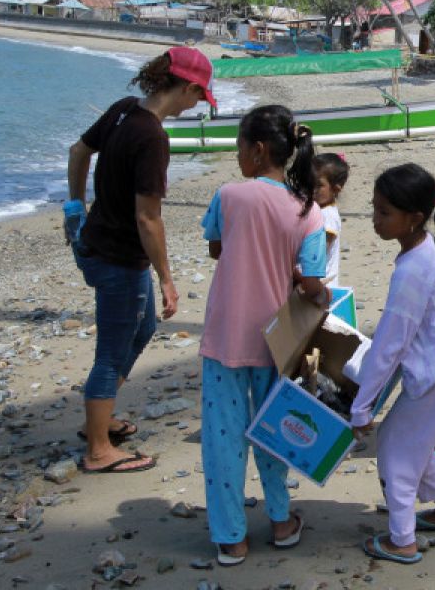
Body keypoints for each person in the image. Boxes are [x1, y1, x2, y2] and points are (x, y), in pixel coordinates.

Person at [65, 46, 215, 474]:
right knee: (111, 351)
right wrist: (167, 278)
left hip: (96, 243)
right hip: (117, 257)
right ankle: (98, 449)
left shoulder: (123, 110)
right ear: (187, 87)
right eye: (199, 97)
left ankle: (102, 413)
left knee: (143, 325)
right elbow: (148, 216)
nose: (197, 105)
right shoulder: (152, 135)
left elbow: (78, 152)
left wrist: (75, 209)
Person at [198, 105, 328, 566]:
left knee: (222, 437)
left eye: (238, 147)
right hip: (277, 340)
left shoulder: (230, 195)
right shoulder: (307, 211)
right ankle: (280, 519)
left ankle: (231, 536)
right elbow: (312, 284)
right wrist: (310, 287)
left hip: (225, 334)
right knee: (273, 431)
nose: (237, 156)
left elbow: (217, 245)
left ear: (255, 150)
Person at [351, 163, 435, 565]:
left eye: (384, 213)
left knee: (395, 449)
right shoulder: (426, 250)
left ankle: (402, 540)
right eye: (374, 209)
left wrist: (361, 406)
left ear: (413, 218)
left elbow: (390, 344)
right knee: (417, 439)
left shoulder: (413, 269)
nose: (375, 220)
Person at [312, 152, 350, 287]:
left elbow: (319, 253)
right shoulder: (318, 210)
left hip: (322, 285)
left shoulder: (328, 216)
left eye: (318, 185)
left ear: (336, 189)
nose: (311, 189)